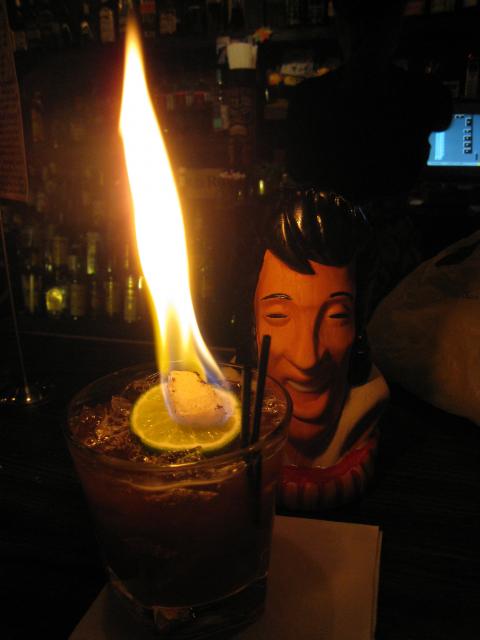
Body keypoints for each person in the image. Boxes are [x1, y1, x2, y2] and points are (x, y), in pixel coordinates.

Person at [253, 190, 389, 510]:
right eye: (278, 316)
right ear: (251, 326)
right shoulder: (226, 413)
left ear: (358, 325)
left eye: (337, 317)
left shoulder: (369, 404)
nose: (307, 358)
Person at [286, 0, 453, 204]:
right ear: (395, 29)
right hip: (393, 218)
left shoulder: (309, 97)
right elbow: (442, 116)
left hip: (332, 218)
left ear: (341, 28)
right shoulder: (424, 94)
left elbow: (298, 171)